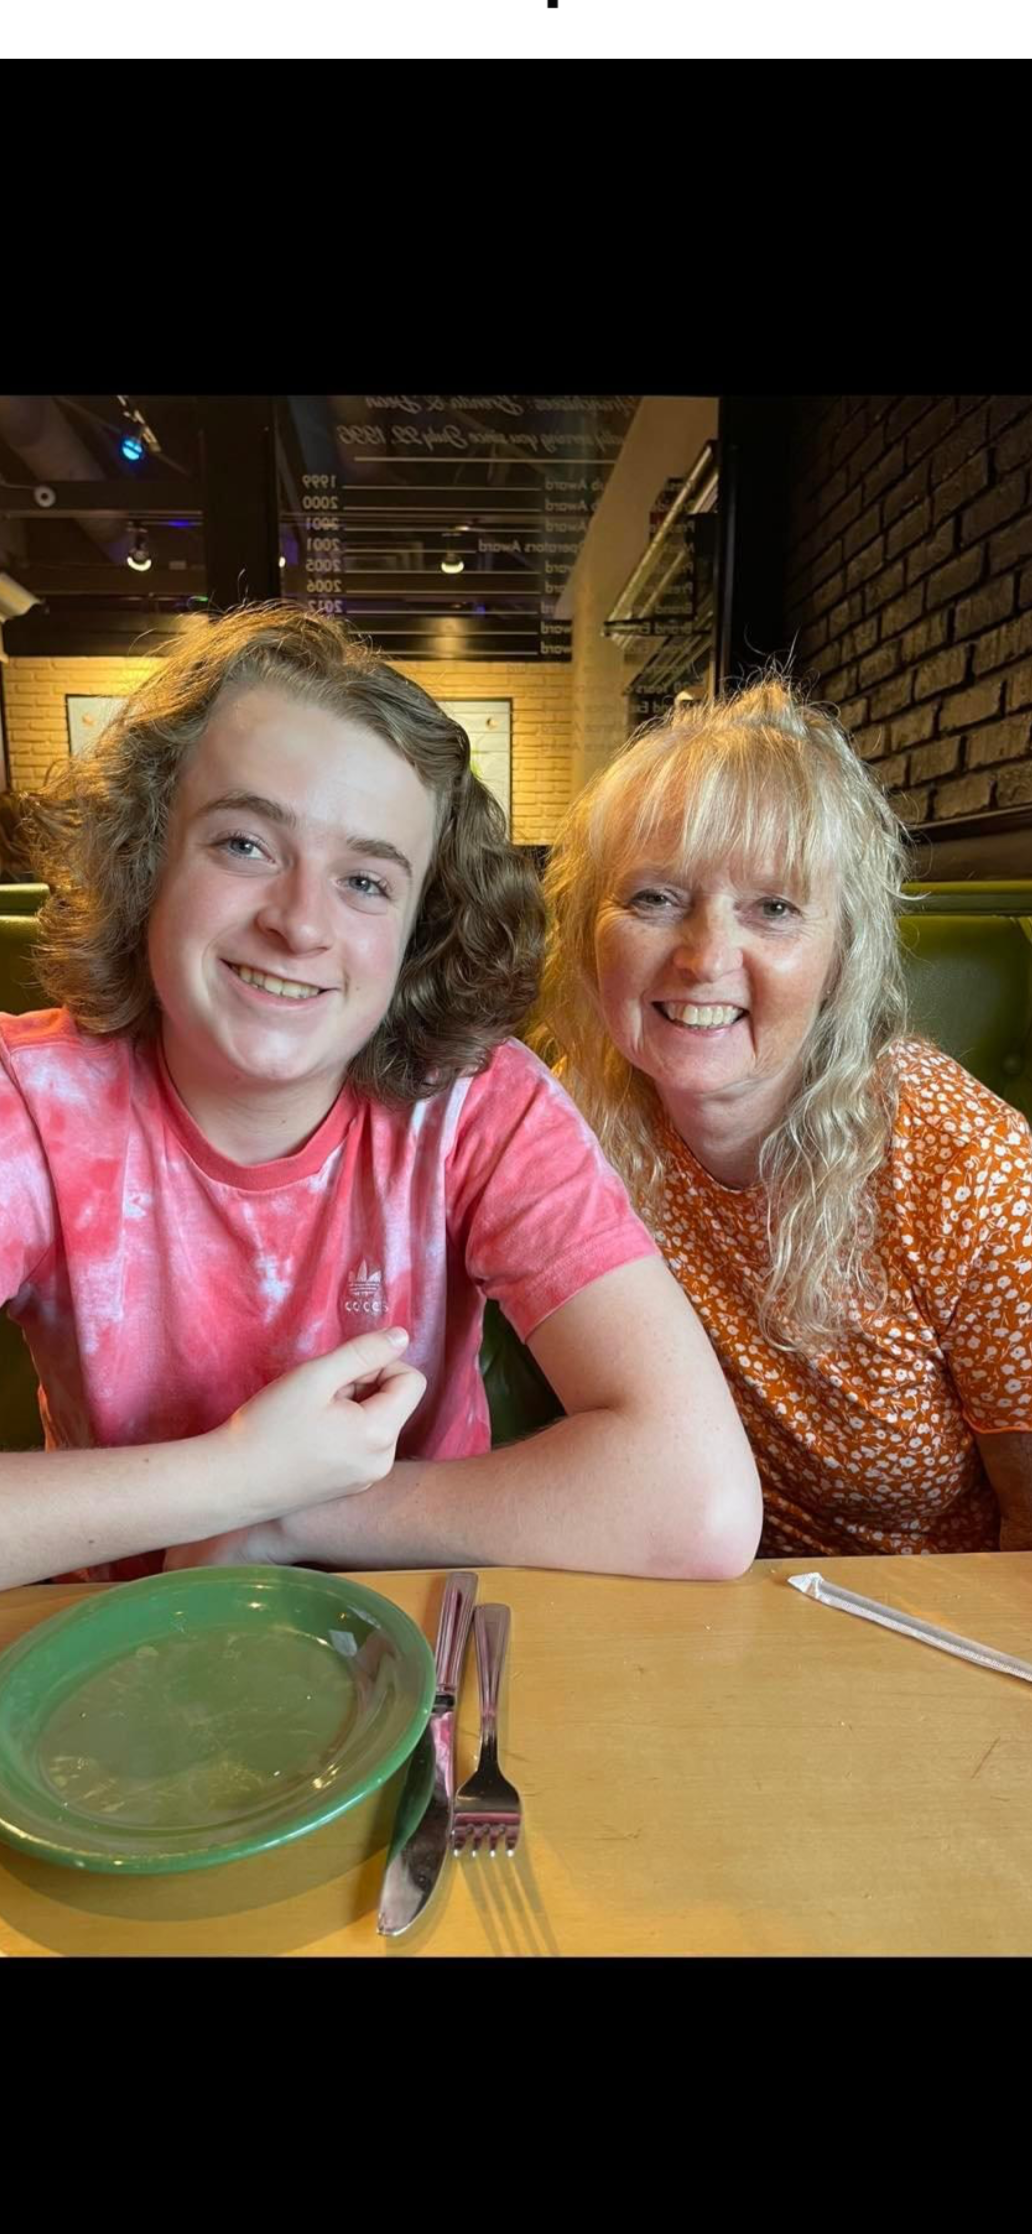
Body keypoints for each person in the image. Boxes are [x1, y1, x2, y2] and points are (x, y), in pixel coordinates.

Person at [0, 604, 760, 1592]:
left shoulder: (480, 1109)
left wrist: (288, 1516)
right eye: (244, 845)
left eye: (365, 880)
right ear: (148, 859)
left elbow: (697, 1500)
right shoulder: (32, 1099)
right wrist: (234, 1474)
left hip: (414, 1642)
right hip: (114, 1674)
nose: (299, 922)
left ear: (418, 932)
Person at [533, 677, 1032, 1557]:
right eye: (655, 898)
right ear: (587, 935)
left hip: (912, 1634)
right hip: (678, 1599)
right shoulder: (573, 1120)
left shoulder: (970, 1170)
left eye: (774, 908)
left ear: (843, 956)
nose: (704, 957)